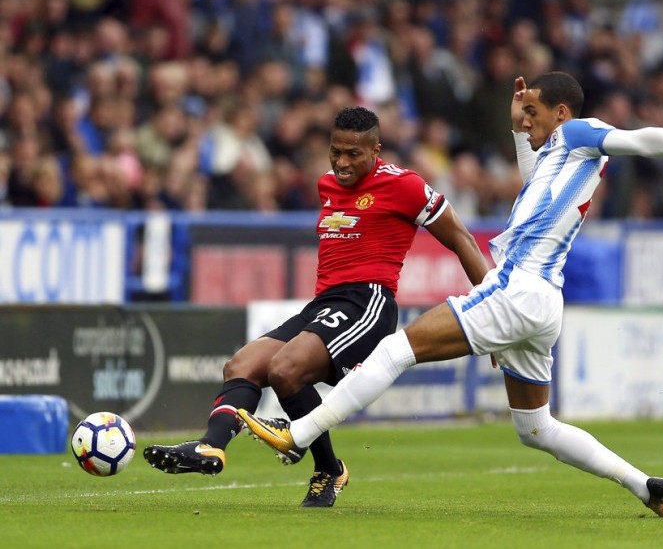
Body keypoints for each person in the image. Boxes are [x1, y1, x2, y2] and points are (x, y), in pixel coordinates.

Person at [237, 72, 663, 518]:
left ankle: (300, 433)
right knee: (536, 428)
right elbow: (533, 177)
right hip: (539, 303)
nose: (528, 118)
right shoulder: (560, 157)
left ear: (562, 113)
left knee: (395, 350)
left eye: (536, 111)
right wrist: (520, 129)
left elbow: (639, 138)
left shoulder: (582, 132)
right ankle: (644, 485)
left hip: (519, 290)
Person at [144, 106, 490, 507]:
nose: (341, 163)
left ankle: (323, 465)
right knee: (241, 366)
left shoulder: (406, 185)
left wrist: (488, 308)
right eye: (335, 151)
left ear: (376, 150)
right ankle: (212, 447)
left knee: (285, 369)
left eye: (353, 154)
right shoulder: (327, 183)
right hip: (324, 303)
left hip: (369, 303)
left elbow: (462, 238)